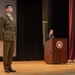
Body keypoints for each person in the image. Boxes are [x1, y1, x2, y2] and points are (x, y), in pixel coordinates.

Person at [0, 4, 16, 73]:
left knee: (11, 53)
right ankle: (5, 67)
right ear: (6, 10)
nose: (11, 9)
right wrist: (1, 38)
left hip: (12, 37)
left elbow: (14, 29)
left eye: (11, 8)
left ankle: (9, 66)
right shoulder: (3, 18)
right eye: (9, 8)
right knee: (6, 53)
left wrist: (14, 37)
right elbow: (0, 28)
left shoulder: (13, 18)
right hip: (6, 37)